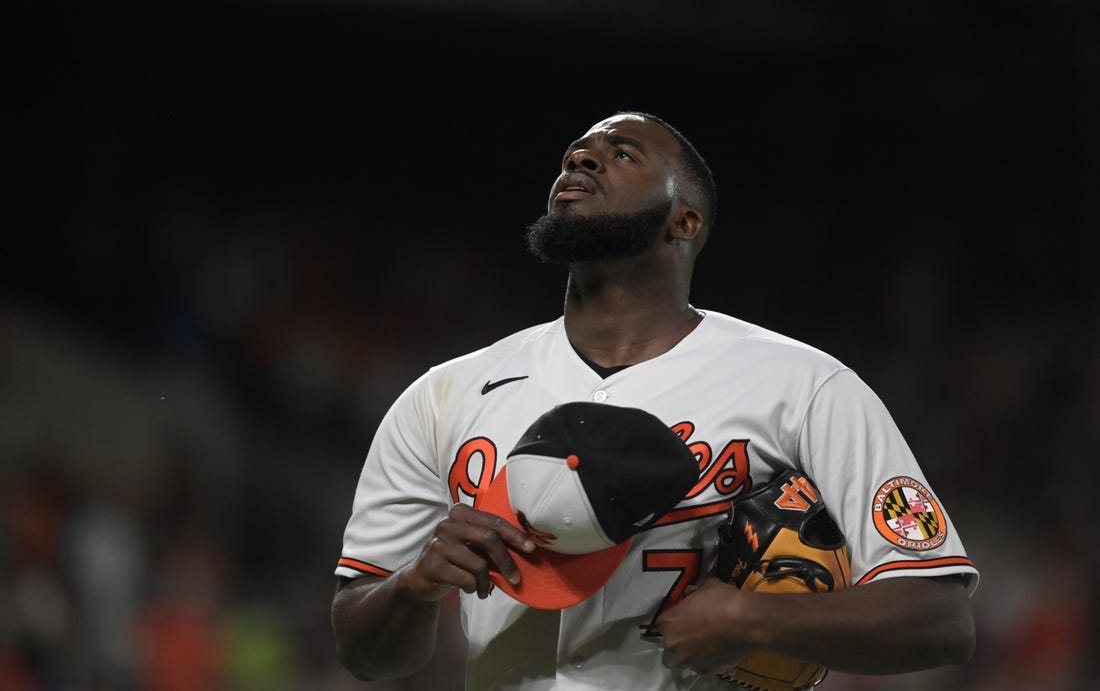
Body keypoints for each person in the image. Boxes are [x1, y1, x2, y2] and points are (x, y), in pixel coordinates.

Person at [331, 111, 978, 690]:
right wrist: (414, 584)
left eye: (622, 152)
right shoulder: (444, 394)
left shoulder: (804, 388)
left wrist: (759, 617)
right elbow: (366, 654)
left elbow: (941, 619)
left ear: (684, 220)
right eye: (574, 153)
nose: (580, 159)